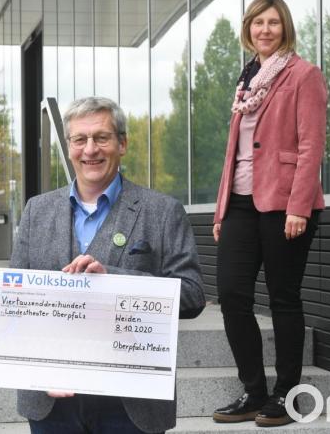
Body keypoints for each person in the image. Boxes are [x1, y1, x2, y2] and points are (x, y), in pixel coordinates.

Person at [11, 96, 206, 433]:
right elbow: (13, 304)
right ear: (69, 146)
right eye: (80, 139)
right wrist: (38, 371)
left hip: (130, 403)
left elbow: (192, 296)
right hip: (53, 399)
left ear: (122, 143)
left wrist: (112, 279)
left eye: (101, 137)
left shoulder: (162, 211)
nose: (90, 150)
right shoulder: (36, 211)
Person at [210, 0, 327, 427]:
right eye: (258, 22)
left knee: (283, 298)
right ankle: (254, 392)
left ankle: (287, 394)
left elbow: (312, 145)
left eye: (273, 22)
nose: (265, 30)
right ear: (248, 28)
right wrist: (222, 209)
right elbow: (234, 154)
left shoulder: (304, 75)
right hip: (240, 202)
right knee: (232, 294)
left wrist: (299, 206)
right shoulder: (247, 79)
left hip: (285, 204)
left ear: (285, 28)